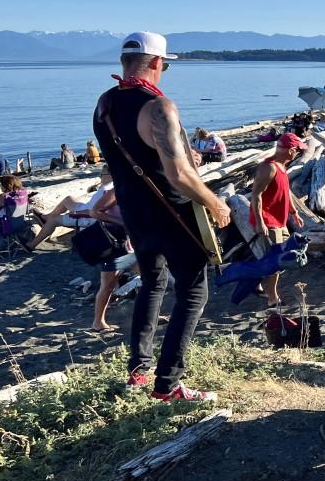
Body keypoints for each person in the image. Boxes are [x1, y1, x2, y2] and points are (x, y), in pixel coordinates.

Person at [93, 31, 232, 402]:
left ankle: (138, 372)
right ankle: (168, 385)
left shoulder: (104, 104)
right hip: (172, 212)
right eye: (165, 64)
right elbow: (178, 176)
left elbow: (134, 157)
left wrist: (184, 156)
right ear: (157, 63)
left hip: (134, 214)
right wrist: (216, 205)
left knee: (152, 283)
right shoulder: (159, 107)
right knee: (193, 291)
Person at [249, 133, 307, 307]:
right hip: (268, 220)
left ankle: (256, 284)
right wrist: (260, 222)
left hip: (280, 220)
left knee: (274, 257)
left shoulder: (282, 167)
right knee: (276, 261)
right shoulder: (269, 167)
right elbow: (256, 194)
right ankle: (272, 298)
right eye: (297, 150)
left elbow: (285, 191)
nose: (298, 153)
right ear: (290, 150)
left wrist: (294, 212)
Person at [27, 165, 119, 250]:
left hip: (88, 218)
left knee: (53, 220)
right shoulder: (111, 187)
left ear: (110, 175)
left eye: (102, 174)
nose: (100, 177)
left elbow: (93, 212)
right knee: (68, 199)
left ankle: (31, 245)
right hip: (88, 211)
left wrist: (75, 214)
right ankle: (45, 218)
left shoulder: (107, 191)